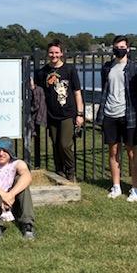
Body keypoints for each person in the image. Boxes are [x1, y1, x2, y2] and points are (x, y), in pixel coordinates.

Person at [96, 35, 137, 202]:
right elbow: (105, 89)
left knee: (132, 152)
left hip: (128, 114)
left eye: (122, 47)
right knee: (113, 151)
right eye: (117, 47)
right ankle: (116, 186)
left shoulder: (135, 68)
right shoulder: (107, 67)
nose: (119, 50)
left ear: (128, 49)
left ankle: (135, 188)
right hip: (110, 113)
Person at [35, 40, 84, 182]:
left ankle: (70, 171)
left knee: (65, 144)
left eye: (56, 52)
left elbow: (77, 92)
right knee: (56, 144)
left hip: (68, 113)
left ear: (61, 53)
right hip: (51, 114)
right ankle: (59, 171)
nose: (54, 55)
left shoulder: (69, 70)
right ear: (47, 53)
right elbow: (38, 92)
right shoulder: (42, 72)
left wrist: (80, 114)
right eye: (51, 52)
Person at [0, 137, 35, 240]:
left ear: (10, 152)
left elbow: (27, 176)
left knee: (21, 181)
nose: (1, 154)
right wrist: (3, 195)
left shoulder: (18, 163)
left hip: (11, 202)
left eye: (5, 151)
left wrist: (11, 195)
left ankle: (27, 224)